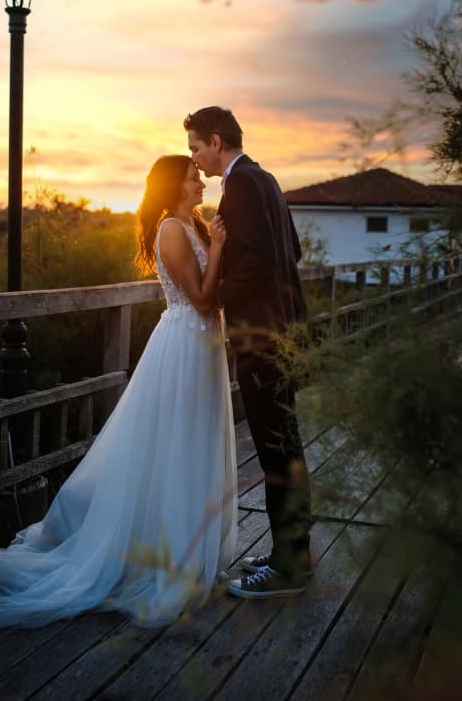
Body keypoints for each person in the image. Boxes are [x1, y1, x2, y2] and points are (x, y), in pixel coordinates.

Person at [0, 155, 237, 628]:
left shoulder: (193, 223)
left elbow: (215, 295)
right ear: (174, 184)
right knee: (173, 447)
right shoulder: (172, 230)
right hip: (183, 346)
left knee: (196, 446)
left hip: (205, 346)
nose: (201, 181)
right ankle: (161, 557)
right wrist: (217, 248)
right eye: (193, 176)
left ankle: (191, 551)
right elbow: (200, 298)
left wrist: (220, 249)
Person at [184, 106, 312, 599]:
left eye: (197, 147)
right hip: (281, 332)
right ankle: (290, 552)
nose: (196, 159)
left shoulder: (239, 187)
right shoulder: (268, 179)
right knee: (287, 448)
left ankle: (289, 568)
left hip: (259, 338)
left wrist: (220, 298)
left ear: (216, 142)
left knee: (277, 452)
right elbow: (292, 252)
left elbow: (260, 258)